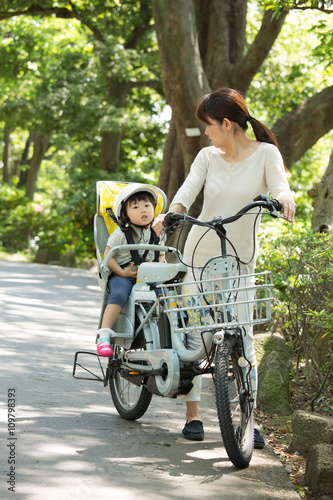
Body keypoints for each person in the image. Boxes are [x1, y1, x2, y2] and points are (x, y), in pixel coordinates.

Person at [153, 87, 296, 447]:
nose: (206, 131)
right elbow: (187, 192)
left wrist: (285, 199)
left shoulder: (266, 154)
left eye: (210, 125)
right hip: (200, 254)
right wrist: (171, 214)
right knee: (199, 337)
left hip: (240, 259)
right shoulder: (207, 156)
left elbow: (281, 186)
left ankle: (249, 418)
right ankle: (194, 414)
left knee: (244, 338)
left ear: (228, 124)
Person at [96, 183, 165, 357]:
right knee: (119, 294)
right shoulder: (120, 234)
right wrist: (122, 272)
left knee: (164, 294)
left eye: (147, 205)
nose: (143, 210)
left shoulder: (156, 233)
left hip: (148, 275)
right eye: (136, 207)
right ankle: (104, 334)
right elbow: (108, 257)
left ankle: (170, 332)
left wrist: (159, 268)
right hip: (124, 274)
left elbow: (162, 257)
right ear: (124, 214)